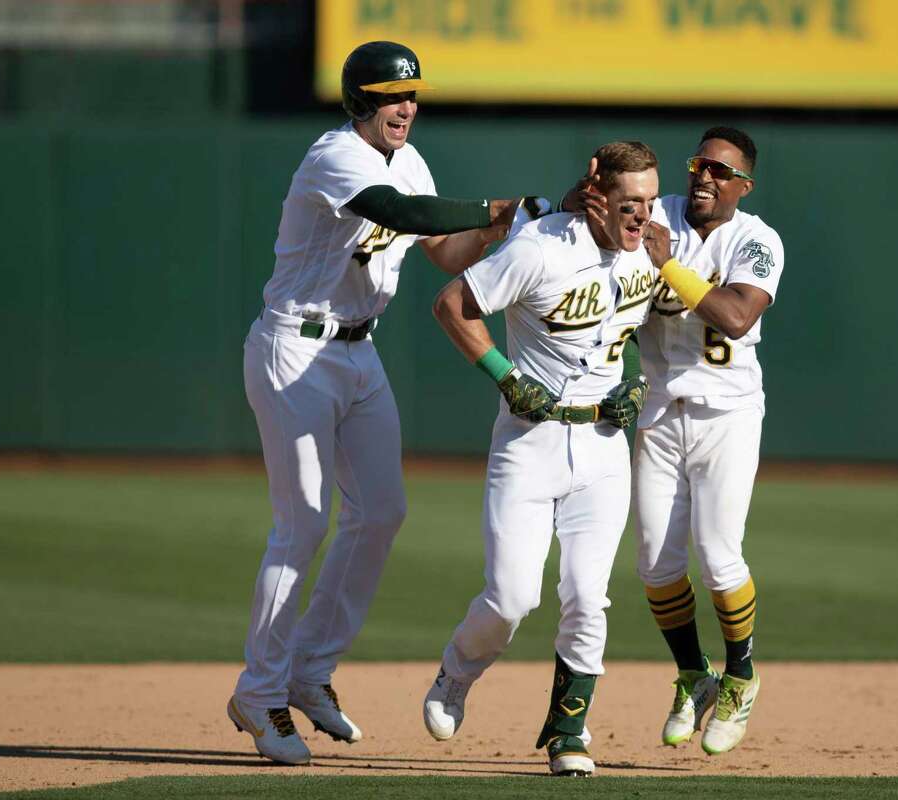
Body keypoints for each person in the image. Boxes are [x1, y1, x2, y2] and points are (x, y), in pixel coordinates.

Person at [226, 40, 523, 766]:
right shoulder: (334, 156)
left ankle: (309, 671)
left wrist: (495, 231)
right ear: (359, 100)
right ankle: (259, 692)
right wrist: (493, 205)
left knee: (382, 511)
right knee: (301, 523)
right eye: (393, 95)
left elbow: (442, 250)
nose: (407, 107)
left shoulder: (411, 158)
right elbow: (397, 210)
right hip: (294, 348)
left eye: (413, 94)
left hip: (359, 351)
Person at [421, 141, 661, 776]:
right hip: (529, 443)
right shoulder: (541, 247)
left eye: (650, 200)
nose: (642, 215)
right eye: (629, 203)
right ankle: (456, 673)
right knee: (511, 597)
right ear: (597, 194)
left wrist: (632, 376)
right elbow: (451, 305)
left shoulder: (647, 252)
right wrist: (504, 374)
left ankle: (570, 732)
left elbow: (626, 329)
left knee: (588, 595)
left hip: (606, 448)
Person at [568, 127, 785, 755]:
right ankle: (695, 677)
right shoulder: (656, 213)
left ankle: (741, 676)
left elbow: (738, 316)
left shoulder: (756, 238)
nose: (703, 177)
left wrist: (667, 264)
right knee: (657, 568)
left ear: (742, 185)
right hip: (661, 411)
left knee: (719, 555)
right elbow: (593, 214)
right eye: (699, 164)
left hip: (728, 411)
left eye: (720, 170)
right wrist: (592, 187)